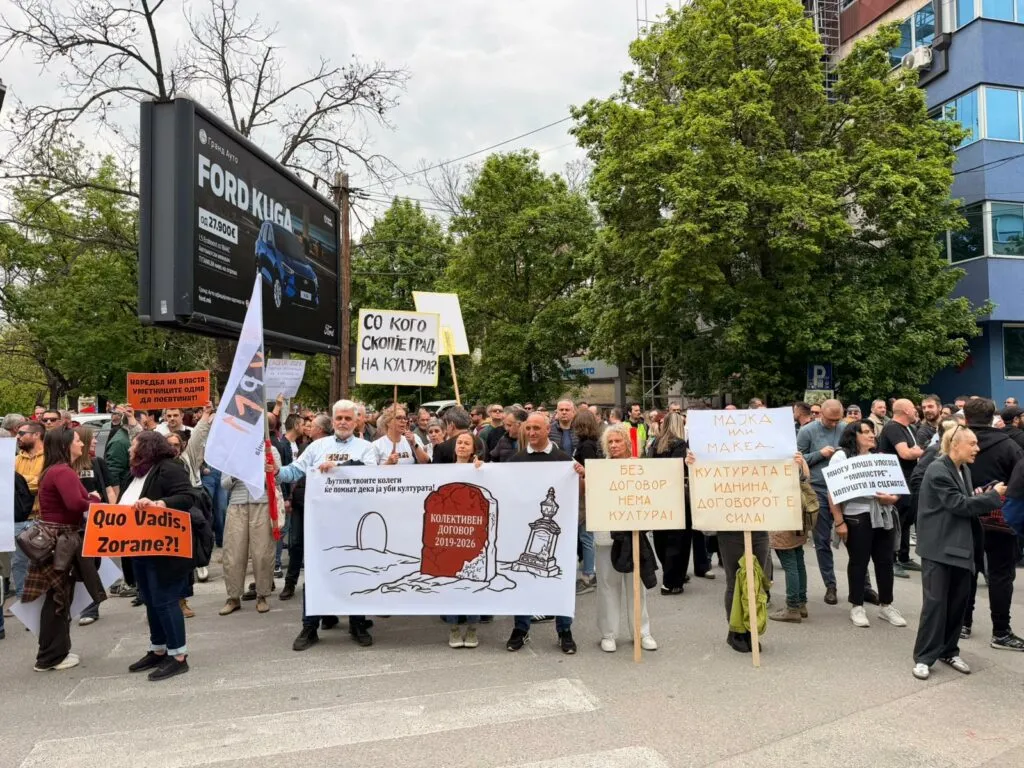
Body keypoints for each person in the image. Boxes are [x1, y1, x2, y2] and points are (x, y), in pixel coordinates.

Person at [279, 400, 377, 650]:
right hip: (320, 522)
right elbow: (294, 472)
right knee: (316, 573)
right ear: (332, 421)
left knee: (355, 571)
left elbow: (371, 473)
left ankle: (357, 623)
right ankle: (309, 626)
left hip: (352, 520)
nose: (343, 422)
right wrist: (275, 471)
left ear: (356, 422)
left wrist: (339, 467)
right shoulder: (316, 446)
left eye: (348, 418)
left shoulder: (366, 448)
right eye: (339, 418)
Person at [912, 426, 1006, 680]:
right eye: (973, 443)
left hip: (961, 548)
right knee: (935, 604)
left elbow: (961, 499)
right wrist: (992, 497)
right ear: (956, 445)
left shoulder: (962, 468)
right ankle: (924, 657)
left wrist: (983, 494)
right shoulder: (938, 469)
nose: (978, 448)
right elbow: (958, 505)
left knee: (957, 604)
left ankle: (948, 650)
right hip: (939, 548)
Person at [23, 428, 106, 671]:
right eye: (78, 440)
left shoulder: (55, 470)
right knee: (58, 598)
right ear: (66, 444)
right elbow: (75, 504)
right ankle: (51, 656)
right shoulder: (62, 471)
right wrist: (95, 500)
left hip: (55, 539)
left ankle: (53, 651)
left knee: (58, 597)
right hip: (60, 542)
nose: (82, 444)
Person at [117, 431, 196, 680]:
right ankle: (158, 649)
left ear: (147, 448)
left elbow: (188, 497)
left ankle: (179, 656)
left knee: (165, 600)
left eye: (134, 446)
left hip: (164, 549)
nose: (130, 450)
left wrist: (161, 503)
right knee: (150, 599)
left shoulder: (169, 468)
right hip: (140, 548)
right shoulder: (137, 474)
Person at [506, 412, 583, 655]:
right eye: (528, 428)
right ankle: (520, 627)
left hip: (559, 531)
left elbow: (578, 493)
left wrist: (581, 476)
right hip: (525, 529)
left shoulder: (563, 460)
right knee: (522, 581)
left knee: (560, 580)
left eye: (536, 428)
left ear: (547, 428)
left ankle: (564, 630)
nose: (531, 433)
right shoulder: (516, 460)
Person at [960, 398, 1024, 650]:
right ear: (993, 418)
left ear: (965, 417)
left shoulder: (957, 442)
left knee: (967, 573)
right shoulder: (1009, 445)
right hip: (1000, 518)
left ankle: (963, 623)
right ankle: (1001, 631)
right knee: (1000, 576)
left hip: (964, 515)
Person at [829, 421, 907, 629]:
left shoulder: (879, 458)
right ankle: (857, 605)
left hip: (883, 514)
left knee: (885, 561)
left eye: (872, 431)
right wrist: (839, 521)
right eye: (865, 432)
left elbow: (896, 488)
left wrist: (892, 498)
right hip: (856, 515)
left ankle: (886, 605)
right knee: (859, 561)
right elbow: (833, 491)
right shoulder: (842, 456)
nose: (871, 435)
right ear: (853, 435)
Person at [799, 399, 876, 605]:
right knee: (822, 541)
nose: (834, 424)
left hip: (847, 492)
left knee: (858, 543)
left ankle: (864, 586)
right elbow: (797, 460)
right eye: (829, 420)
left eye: (837, 419)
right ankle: (830, 585)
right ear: (819, 414)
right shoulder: (807, 432)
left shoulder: (846, 428)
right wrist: (819, 454)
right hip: (819, 491)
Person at [592, 423, 657, 652]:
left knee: (636, 584)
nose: (613, 445)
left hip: (634, 532)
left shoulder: (640, 468)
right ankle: (608, 633)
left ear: (627, 443)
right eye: (610, 442)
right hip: (606, 533)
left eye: (618, 441)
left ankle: (642, 631)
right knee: (608, 585)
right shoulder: (599, 470)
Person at [650, 412, 712, 595]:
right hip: (677, 495)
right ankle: (672, 581)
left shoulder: (654, 443)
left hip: (659, 495)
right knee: (679, 540)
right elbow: (677, 469)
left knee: (661, 537)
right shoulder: (679, 444)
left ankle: (670, 573)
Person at [219, 443, 282, 616]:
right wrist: (237, 472)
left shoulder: (270, 449)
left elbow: (280, 478)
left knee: (262, 553)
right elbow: (224, 484)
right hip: (237, 505)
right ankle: (233, 597)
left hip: (262, 503)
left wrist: (267, 470)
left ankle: (262, 595)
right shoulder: (232, 451)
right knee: (233, 553)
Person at [280, 415, 331, 602]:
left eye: (313, 426)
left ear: (321, 430)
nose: (308, 428)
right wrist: (290, 497)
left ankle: (320, 586)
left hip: (322, 504)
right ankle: (290, 583)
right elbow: (295, 471)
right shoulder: (306, 448)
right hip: (301, 502)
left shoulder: (331, 449)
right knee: (295, 543)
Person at [442, 433, 485, 648]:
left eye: (467, 443)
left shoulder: (481, 469)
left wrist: (484, 470)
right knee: (451, 582)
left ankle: (472, 628)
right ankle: (453, 628)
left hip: (473, 532)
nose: (462, 446)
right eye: (459, 442)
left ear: (473, 448)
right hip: (449, 534)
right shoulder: (444, 470)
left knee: (473, 581)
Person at [72, 425, 116, 627]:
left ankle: (91, 607)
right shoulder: (67, 467)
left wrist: (113, 513)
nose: (96, 442)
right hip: (75, 522)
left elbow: (109, 488)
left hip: (97, 520)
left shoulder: (97, 463)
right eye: (92, 439)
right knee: (79, 565)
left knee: (92, 564)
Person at [878, 399, 925, 578]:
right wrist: (923, 451)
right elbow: (905, 453)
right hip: (896, 480)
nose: (916, 411)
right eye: (913, 408)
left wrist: (917, 450)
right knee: (896, 520)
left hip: (909, 479)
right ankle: (891, 559)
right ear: (905, 410)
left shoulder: (909, 428)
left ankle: (904, 556)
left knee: (907, 519)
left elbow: (913, 450)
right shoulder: (893, 428)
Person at [769, 453, 817, 623]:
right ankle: (801, 603)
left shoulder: (777, 455)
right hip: (798, 515)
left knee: (790, 562)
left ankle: (792, 607)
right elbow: (806, 478)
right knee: (797, 560)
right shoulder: (796, 454)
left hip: (782, 515)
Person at [11, 420, 45, 601]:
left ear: (36, 435)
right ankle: (23, 603)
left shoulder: (49, 457)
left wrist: (20, 482)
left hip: (41, 519)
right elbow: (9, 484)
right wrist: (29, 482)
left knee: (43, 563)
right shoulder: (15, 459)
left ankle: (45, 604)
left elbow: (44, 483)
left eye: (22, 433)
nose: (18, 437)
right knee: (19, 564)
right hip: (18, 520)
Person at [572, 409, 601, 595]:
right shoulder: (587, 444)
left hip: (585, 494)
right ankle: (589, 571)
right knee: (585, 535)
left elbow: (590, 471)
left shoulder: (586, 446)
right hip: (584, 493)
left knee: (586, 536)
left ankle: (589, 574)